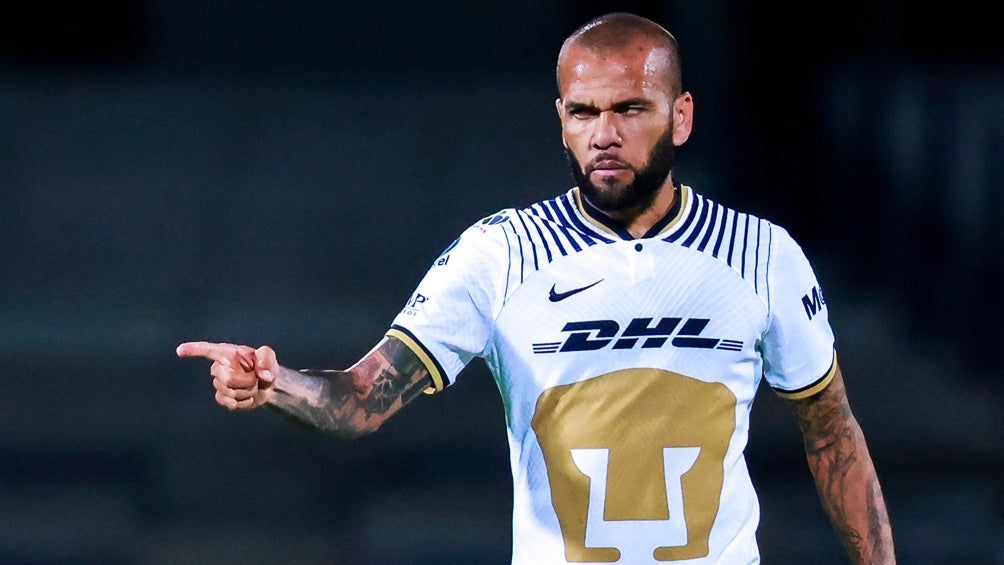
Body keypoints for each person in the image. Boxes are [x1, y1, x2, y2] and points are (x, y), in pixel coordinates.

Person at [177, 12, 895, 564]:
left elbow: (833, 434)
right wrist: (274, 384)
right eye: (583, 112)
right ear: (561, 121)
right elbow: (358, 399)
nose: (604, 133)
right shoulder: (502, 254)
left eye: (630, 109)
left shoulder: (762, 257)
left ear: (681, 117)